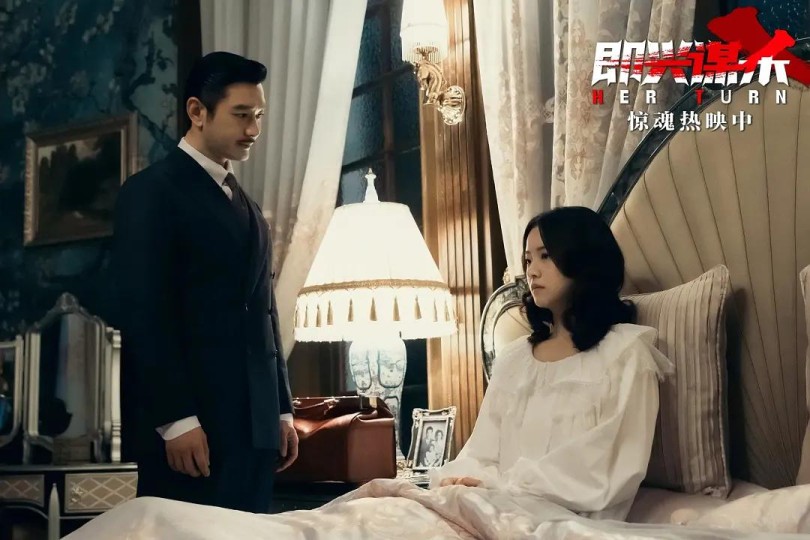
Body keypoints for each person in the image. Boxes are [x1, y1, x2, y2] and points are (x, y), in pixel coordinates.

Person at [112, 51, 297, 513]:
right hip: (192, 431)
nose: (253, 129)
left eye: (258, 116)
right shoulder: (150, 192)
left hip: (256, 431)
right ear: (197, 111)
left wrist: (281, 408)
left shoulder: (247, 204)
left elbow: (265, 310)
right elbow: (144, 314)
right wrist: (175, 420)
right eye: (241, 115)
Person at [429, 206, 673, 521]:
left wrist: (502, 488)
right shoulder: (514, 359)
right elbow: (481, 450)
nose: (532, 271)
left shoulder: (625, 354)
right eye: (528, 260)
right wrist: (463, 481)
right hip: (495, 508)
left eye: (545, 256)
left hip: (568, 521)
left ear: (582, 258)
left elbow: (607, 468)